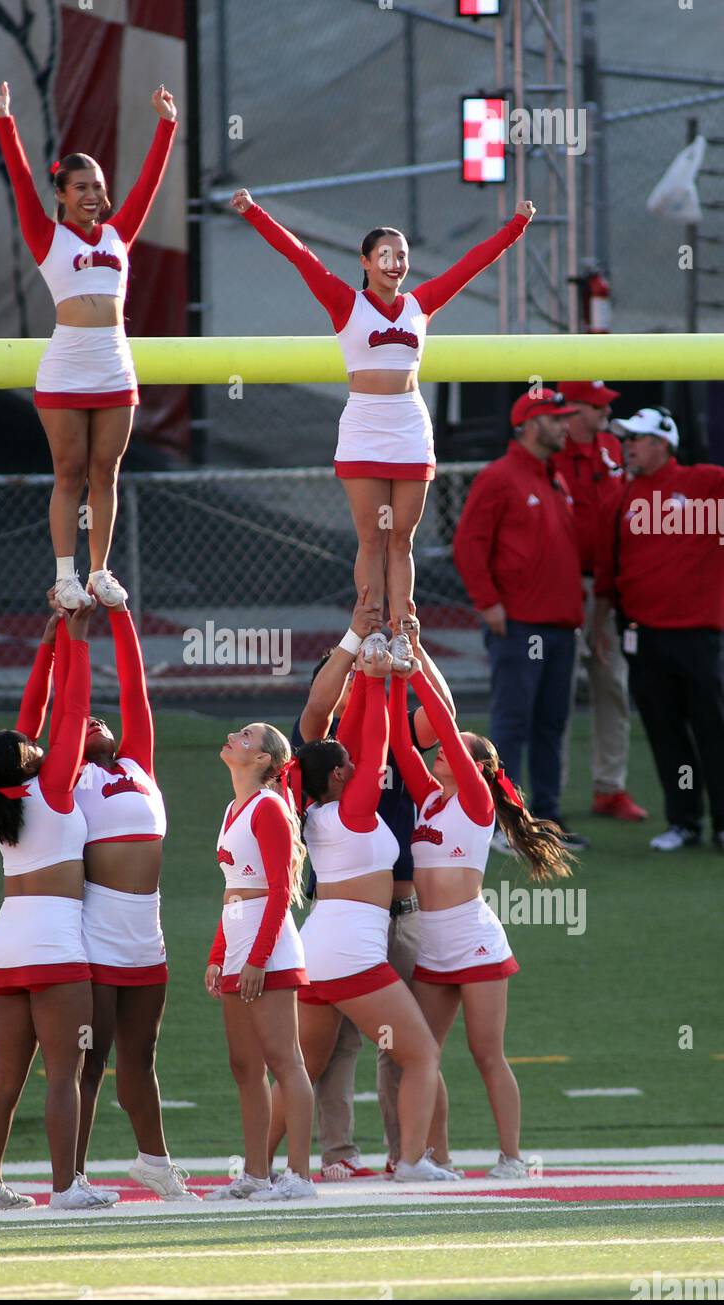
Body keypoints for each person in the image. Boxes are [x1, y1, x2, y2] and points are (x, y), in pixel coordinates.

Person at [231, 186, 533, 642]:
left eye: (403, 254)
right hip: (365, 425)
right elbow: (300, 256)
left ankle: (403, 624)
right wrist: (254, 212)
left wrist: (516, 227)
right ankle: (369, 621)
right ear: (366, 262)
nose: (396, 262)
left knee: (402, 539)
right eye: (385, 254)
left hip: (409, 424)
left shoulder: (420, 304)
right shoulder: (344, 303)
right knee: (372, 537)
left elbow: (469, 266)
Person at [0, 79, 177, 612]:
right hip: (67, 366)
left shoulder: (119, 233)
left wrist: (167, 125)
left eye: (97, 184)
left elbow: (148, 185)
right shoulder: (48, 237)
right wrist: (5, 116)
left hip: (115, 365)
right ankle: (65, 576)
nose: (93, 193)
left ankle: (99, 571)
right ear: (62, 195)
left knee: (107, 472)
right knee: (69, 472)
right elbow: (21, 180)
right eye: (81, 187)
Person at [271, 647, 458, 1183]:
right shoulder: (344, 786)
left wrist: (400, 663)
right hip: (352, 942)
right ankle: (399, 1160)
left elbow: (424, 721)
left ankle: (265, 1170)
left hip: (348, 933)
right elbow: (361, 741)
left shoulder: (322, 797)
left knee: (309, 1060)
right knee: (411, 1049)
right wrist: (372, 671)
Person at [0, 598, 119, 1211]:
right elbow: (71, 711)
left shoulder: (6, 801)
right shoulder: (50, 792)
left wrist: (47, 645)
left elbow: (33, 720)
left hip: (6, 945)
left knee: (6, 1079)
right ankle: (65, 1189)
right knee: (66, 1075)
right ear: (27, 763)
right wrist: (74, 642)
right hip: (55, 946)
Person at [390, 658, 574, 1177]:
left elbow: (442, 728)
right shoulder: (428, 799)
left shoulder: (474, 804)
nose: (442, 752)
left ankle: (512, 1159)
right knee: (422, 1054)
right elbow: (403, 744)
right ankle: (437, 1157)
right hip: (433, 944)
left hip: (474, 942)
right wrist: (394, 678)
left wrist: (417, 659)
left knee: (487, 1055)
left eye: (455, 748)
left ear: (473, 765)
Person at [71, 594, 197, 1199]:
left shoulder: (138, 764)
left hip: (147, 934)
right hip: (95, 935)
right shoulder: (70, 778)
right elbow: (62, 704)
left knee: (139, 1062)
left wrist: (120, 615)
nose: (95, 718)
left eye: (101, 719)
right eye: (84, 719)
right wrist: (72, 632)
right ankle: (70, 1177)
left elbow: (134, 690)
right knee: (88, 1064)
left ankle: (154, 1161)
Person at [453, 390, 588, 851]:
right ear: (530, 424)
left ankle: (545, 819)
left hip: (558, 625)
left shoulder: (554, 478)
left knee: (551, 724)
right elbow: (469, 544)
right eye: (556, 418)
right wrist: (487, 602)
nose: (565, 425)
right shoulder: (500, 477)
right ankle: (501, 824)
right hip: (520, 626)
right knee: (513, 722)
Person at [594, 407, 724, 852]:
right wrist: (598, 627)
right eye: (625, 438)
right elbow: (609, 576)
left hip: (700, 638)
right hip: (645, 638)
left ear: (663, 443)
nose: (628, 445)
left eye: (638, 438)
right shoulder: (620, 499)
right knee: (666, 732)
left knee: (715, 729)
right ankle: (684, 821)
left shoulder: (706, 482)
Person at [204, 723, 316, 1201]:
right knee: (244, 1065)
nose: (233, 735)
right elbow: (232, 890)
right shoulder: (232, 809)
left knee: (285, 1059)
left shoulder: (269, 807)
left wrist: (257, 957)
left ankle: (300, 1177)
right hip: (238, 941)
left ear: (264, 760)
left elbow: (279, 892)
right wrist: (217, 956)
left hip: (265, 947)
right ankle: (254, 1174)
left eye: (246, 737)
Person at [552, 381, 647, 822]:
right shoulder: (550, 452)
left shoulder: (613, 446)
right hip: (558, 588)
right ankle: (545, 794)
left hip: (607, 588)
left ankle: (610, 787)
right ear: (575, 411)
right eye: (597, 405)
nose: (606, 412)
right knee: (554, 694)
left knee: (613, 685)